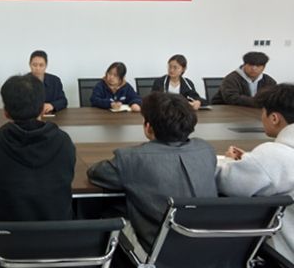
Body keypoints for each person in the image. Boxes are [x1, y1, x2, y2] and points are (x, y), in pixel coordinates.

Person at [87, 92, 217, 253]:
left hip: (159, 252)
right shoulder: (206, 149)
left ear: (148, 127)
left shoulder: (131, 158)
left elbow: (95, 173)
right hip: (210, 249)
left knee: (102, 210)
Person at [216, 84, 294, 262]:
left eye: (262, 112)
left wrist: (229, 162)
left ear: (274, 118)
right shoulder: (272, 157)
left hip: (283, 256)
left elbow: (227, 183)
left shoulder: (273, 155)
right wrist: (251, 161)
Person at [0, 74, 75, 221]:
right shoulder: (63, 141)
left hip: (8, 231)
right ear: (42, 108)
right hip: (57, 231)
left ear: (6, 112)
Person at [212, 51, 276, 106]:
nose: (254, 68)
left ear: (264, 67)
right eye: (251, 65)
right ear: (244, 65)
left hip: (254, 111)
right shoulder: (231, 78)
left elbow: (274, 98)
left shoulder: (269, 81)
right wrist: (258, 102)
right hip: (228, 110)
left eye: (258, 66)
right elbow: (231, 98)